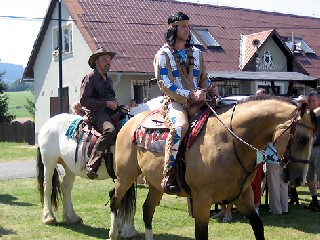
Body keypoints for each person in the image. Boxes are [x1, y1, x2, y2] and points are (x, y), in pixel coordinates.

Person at [153, 12, 218, 194]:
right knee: (181, 126)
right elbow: (164, 84)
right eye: (182, 26)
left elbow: (204, 77)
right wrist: (190, 95)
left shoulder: (197, 53)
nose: (187, 30)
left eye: (188, 26)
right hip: (176, 102)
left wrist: (210, 88)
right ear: (172, 29)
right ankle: (169, 173)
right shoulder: (163, 54)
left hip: (200, 100)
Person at [80, 47, 118, 179]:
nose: (108, 62)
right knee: (110, 130)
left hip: (109, 111)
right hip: (96, 113)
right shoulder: (90, 78)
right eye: (104, 59)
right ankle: (92, 163)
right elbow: (84, 100)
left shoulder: (108, 78)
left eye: (109, 60)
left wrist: (115, 104)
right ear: (97, 62)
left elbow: (111, 96)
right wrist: (106, 104)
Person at [305, 91, 320, 211]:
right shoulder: (307, 115)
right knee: (310, 177)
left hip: (318, 149)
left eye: (313, 101)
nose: (311, 103)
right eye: (309, 101)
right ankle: (314, 200)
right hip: (308, 150)